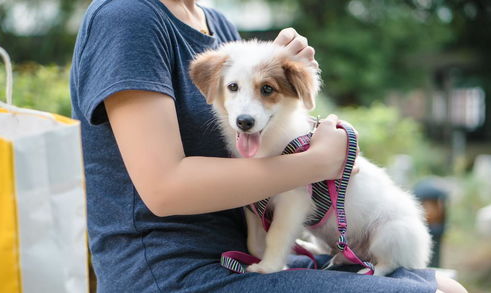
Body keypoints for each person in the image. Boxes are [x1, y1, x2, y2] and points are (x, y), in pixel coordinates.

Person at [70, 0, 467, 292]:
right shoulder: (127, 18)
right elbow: (164, 188)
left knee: (450, 289)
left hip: (244, 254)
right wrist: (320, 161)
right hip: (173, 271)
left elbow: (259, 136)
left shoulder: (217, 24)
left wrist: (286, 83)